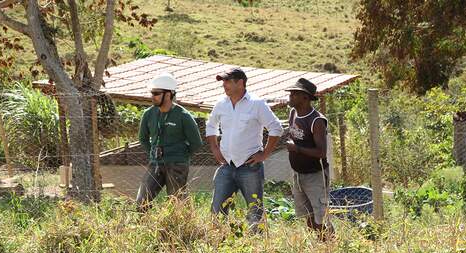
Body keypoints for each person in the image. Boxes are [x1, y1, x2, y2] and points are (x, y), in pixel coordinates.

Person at [206, 67, 283, 230]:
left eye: (228, 81)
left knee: (254, 212)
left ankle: (257, 248)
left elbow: (276, 128)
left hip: (250, 168)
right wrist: (214, 148)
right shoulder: (220, 104)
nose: (224, 85)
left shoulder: (257, 104)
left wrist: (265, 154)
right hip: (226, 166)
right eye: (223, 81)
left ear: (240, 83)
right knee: (217, 210)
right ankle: (218, 243)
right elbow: (210, 126)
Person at [136, 72, 203, 211]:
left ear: (168, 94)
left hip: (177, 165)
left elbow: (196, 143)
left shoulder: (184, 116)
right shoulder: (148, 114)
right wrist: (152, 153)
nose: (152, 96)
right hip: (155, 163)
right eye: (152, 93)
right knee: (141, 201)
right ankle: (144, 229)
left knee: (176, 205)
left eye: (156, 93)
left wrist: (181, 157)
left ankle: (179, 231)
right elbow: (142, 138)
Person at [285, 78, 334, 240]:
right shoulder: (293, 113)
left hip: (315, 176)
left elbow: (321, 152)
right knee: (309, 217)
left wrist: (296, 148)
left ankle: (331, 247)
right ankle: (322, 247)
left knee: (321, 218)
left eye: (294, 93)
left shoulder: (316, 120)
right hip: (298, 175)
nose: (290, 96)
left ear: (305, 97)